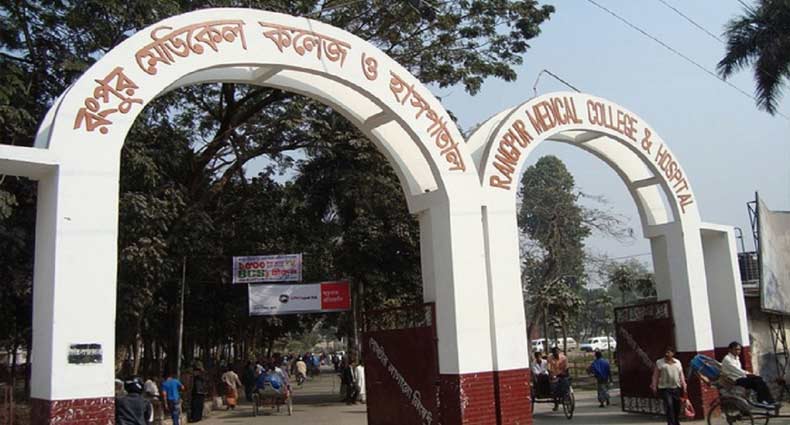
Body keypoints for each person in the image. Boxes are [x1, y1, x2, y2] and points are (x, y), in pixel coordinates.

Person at [722, 341, 776, 408]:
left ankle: (769, 400)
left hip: (741, 377)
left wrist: (750, 375)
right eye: (736, 349)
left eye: (739, 350)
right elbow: (737, 370)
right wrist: (748, 374)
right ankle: (762, 400)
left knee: (759, 380)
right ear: (730, 350)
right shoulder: (727, 359)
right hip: (735, 380)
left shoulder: (736, 358)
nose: (738, 351)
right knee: (757, 381)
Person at [650, 347, 686, 425]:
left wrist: (684, 384)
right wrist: (654, 385)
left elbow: (681, 374)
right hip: (665, 388)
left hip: (676, 388)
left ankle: (676, 422)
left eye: (668, 352)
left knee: (676, 407)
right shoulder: (659, 362)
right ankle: (671, 423)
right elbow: (655, 375)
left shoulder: (677, 362)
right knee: (669, 406)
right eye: (666, 352)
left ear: (672, 353)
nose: (666, 354)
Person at [547, 346, 569, 411]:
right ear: (553, 353)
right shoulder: (550, 358)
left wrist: (565, 373)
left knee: (566, 384)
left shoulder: (564, 358)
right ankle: (556, 403)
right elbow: (549, 368)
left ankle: (566, 397)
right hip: (554, 375)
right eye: (554, 352)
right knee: (553, 389)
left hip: (562, 374)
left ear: (559, 352)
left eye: (557, 352)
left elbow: (566, 367)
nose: (556, 353)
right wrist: (551, 374)